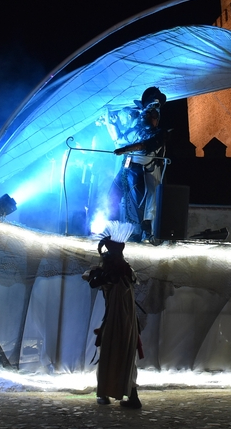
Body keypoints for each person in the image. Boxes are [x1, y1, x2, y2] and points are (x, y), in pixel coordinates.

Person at [82, 221, 142, 408]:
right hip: (124, 320)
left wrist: (100, 272)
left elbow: (92, 280)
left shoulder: (121, 271)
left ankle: (122, 396)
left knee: (115, 354)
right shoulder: (120, 271)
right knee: (121, 355)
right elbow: (91, 279)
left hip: (122, 320)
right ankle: (123, 395)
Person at [113, 87, 168, 243]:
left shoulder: (159, 133)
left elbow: (145, 145)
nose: (148, 116)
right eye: (146, 113)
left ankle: (145, 233)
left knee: (147, 203)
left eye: (152, 114)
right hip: (129, 170)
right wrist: (113, 124)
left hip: (147, 173)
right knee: (119, 198)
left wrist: (125, 149)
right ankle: (123, 229)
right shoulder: (135, 130)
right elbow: (120, 139)